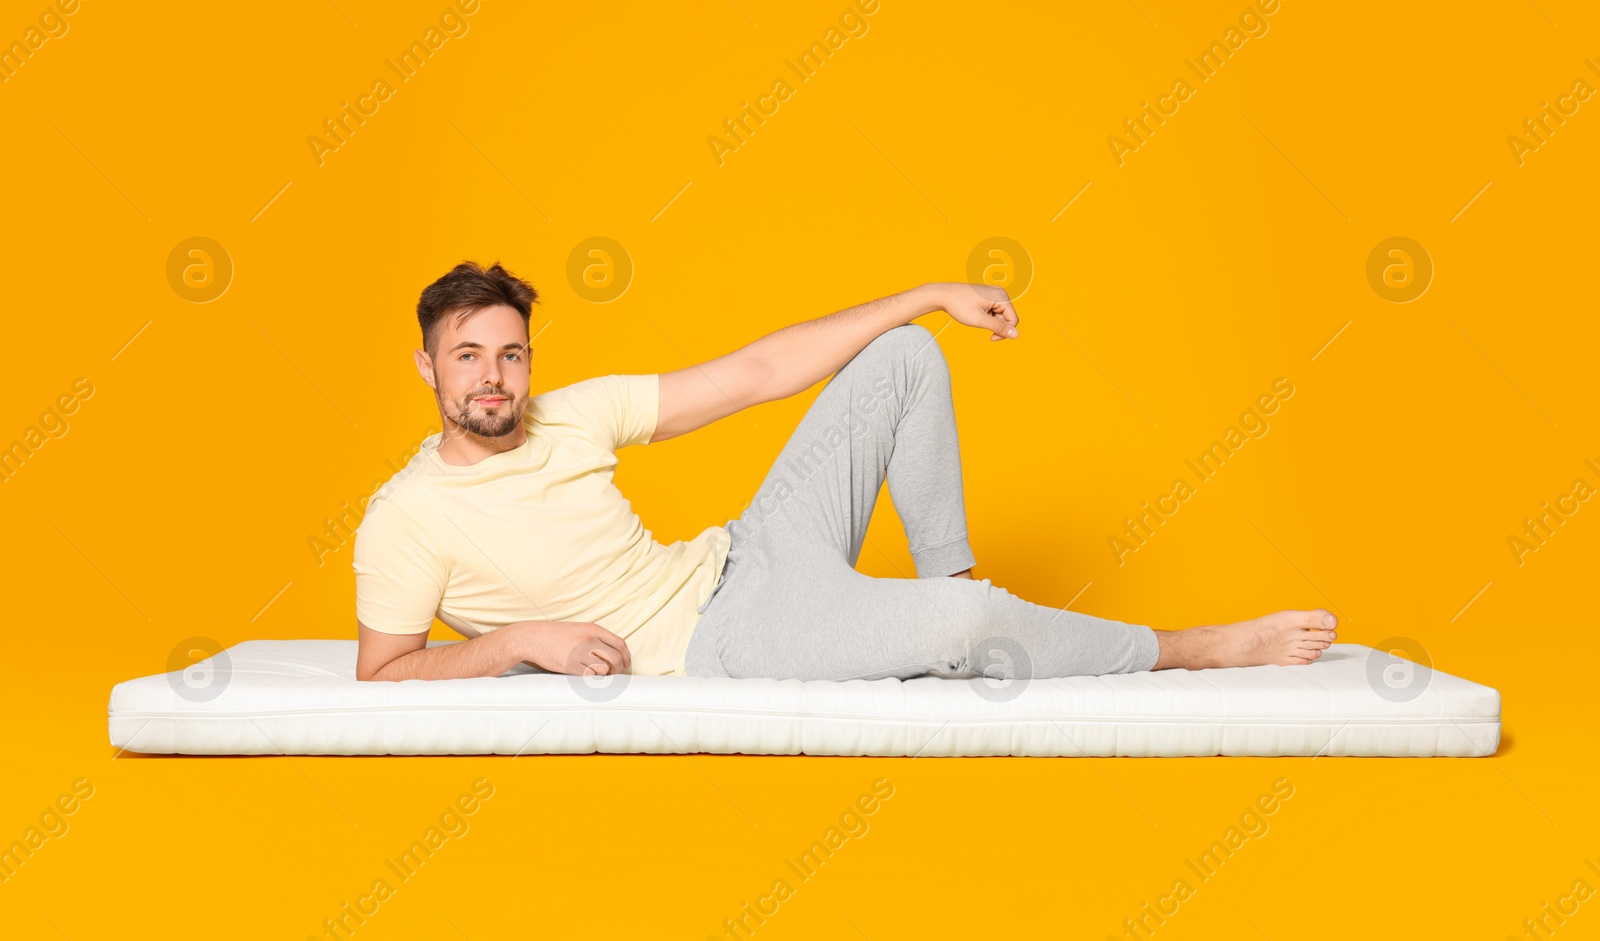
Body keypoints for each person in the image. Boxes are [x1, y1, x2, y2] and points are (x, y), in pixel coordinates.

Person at [353, 261, 1337, 683]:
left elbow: (758, 371)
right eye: (468, 355)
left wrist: (926, 292)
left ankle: (960, 585)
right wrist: (521, 640)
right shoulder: (407, 516)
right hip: (721, 638)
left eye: (510, 353)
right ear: (428, 366)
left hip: (748, 550)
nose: (493, 377)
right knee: (962, 632)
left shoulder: (574, 413)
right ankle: (1194, 647)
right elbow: (384, 667)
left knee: (904, 354)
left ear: (530, 357)